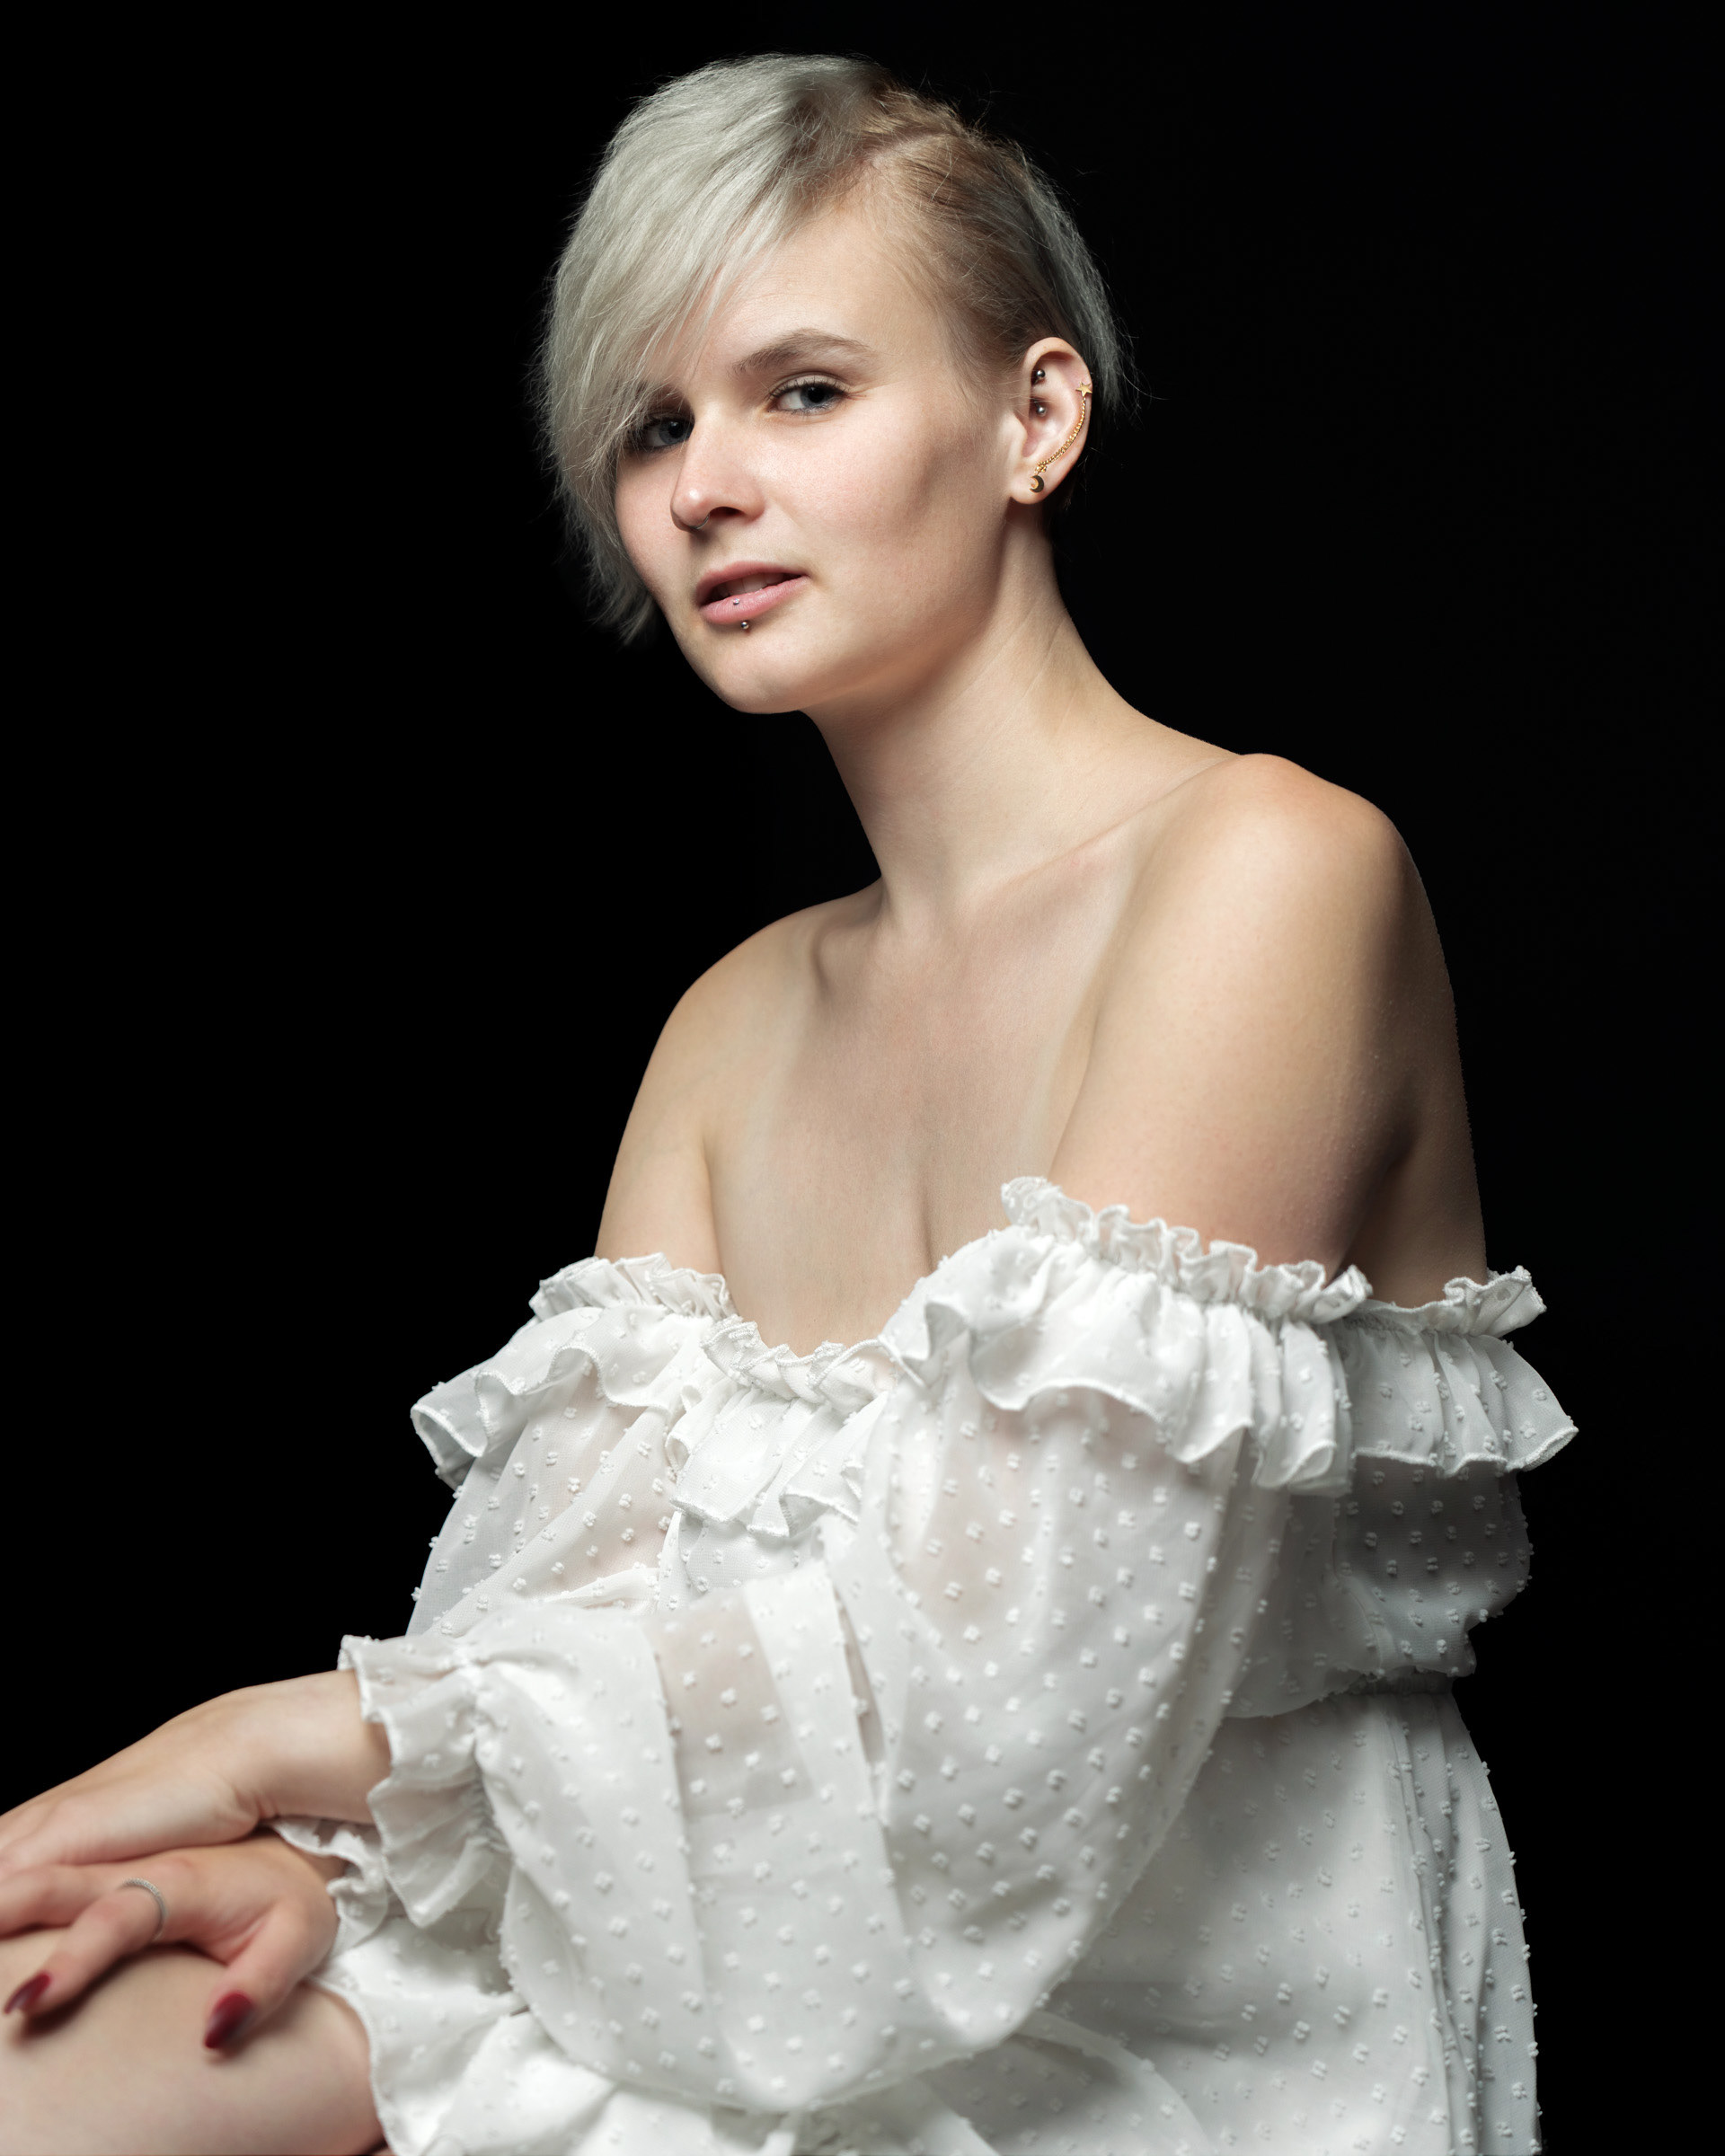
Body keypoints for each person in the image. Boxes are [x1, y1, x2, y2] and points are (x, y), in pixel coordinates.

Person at [0, 55, 1571, 2156]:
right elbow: (563, 1632)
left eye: (800, 391)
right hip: (717, 1945)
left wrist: (297, 1740)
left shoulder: (1272, 872)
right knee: (51, 2028)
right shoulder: (733, 1022)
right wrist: (329, 1847)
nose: (704, 486)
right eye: (652, 424)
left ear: (1036, 417)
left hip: (1180, 2039)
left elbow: (1007, 1734)